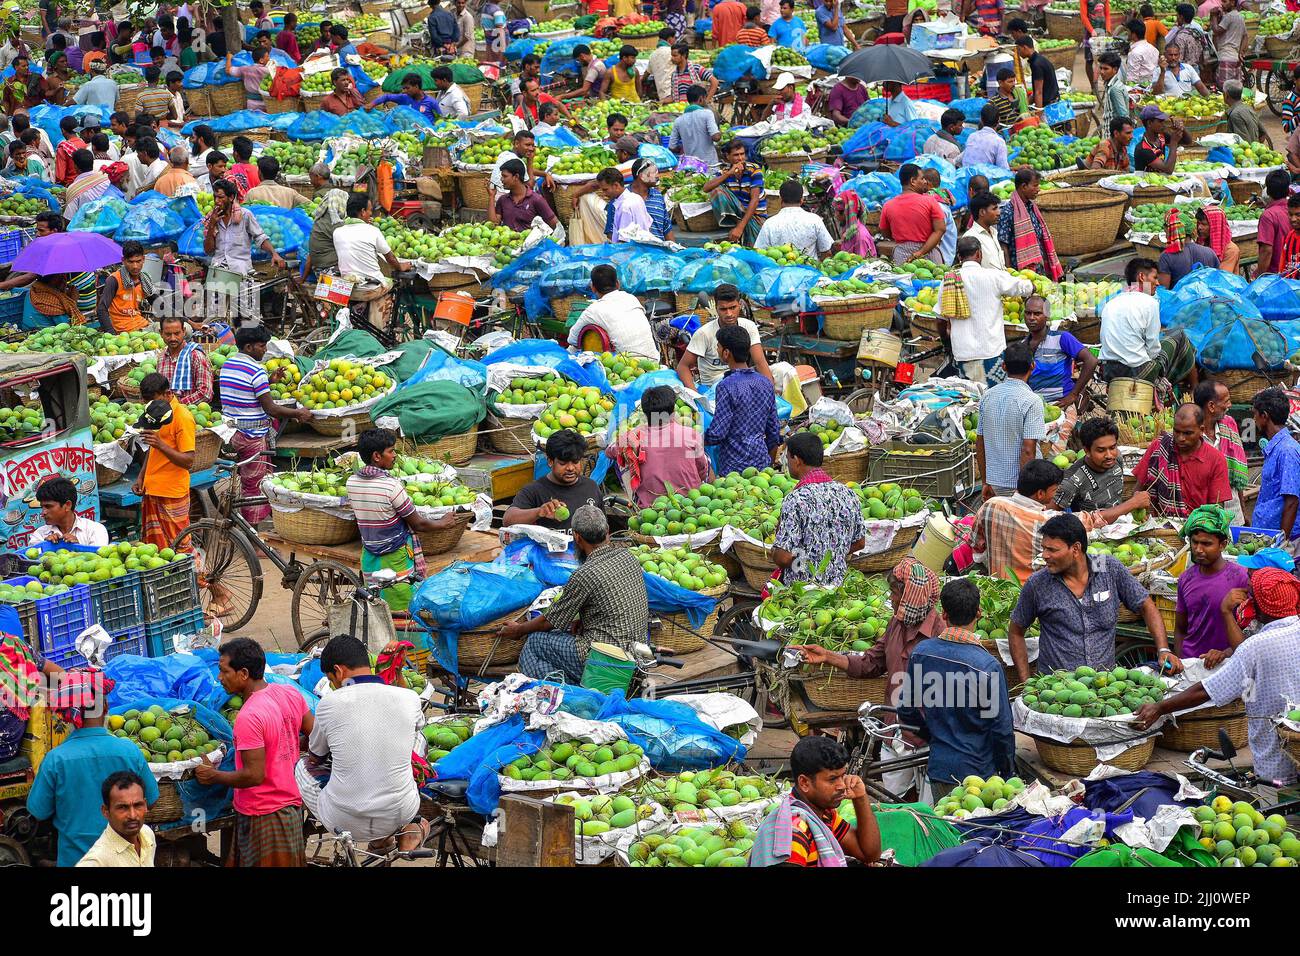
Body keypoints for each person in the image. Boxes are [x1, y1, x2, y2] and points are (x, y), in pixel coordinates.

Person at [1135, 566, 1300, 786]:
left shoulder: (1256, 646)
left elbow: (1207, 690)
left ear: (1264, 604)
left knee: (1280, 811)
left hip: (1277, 760)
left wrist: (1160, 708)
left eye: (1252, 595)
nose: (1247, 599)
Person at [295, 635, 426, 849]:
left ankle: (374, 833)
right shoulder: (409, 697)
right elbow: (416, 727)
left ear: (338, 671)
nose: (333, 684)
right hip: (401, 812)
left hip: (344, 821)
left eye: (331, 679)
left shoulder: (329, 703)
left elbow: (316, 757)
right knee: (417, 739)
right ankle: (400, 830)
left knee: (300, 766)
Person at [1009, 512, 1175, 680]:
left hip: (1104, 685)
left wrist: (1163, 650)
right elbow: (1016, 631)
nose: (1044, 555)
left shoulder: (1107, 567)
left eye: (1052, 550)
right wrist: (1026, 683)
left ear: (1075, 549)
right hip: (1057, 690)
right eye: (1044, 548)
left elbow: (1145, 605)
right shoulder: (1038, 583)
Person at [194, 638, 313, 867]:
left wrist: (213, 776)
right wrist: (288, 744)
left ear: (244, 673)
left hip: (265, 814)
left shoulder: (249, 716)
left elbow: (253, 775)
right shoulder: (288, 694)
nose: (219, 678)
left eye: (224, 671)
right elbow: (315, 735)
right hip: (290, 808)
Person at [897, 578, 1015, 798]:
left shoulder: (923, 653)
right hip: (980, 776)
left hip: (941, 767)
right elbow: (1001, 729)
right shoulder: (987, 667)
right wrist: (1008, 772)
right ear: (979, 613)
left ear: (943, 614)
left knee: (946, 828)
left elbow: (906, 709)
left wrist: (932, 735)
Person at [505, 505, 648, 684]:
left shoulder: (585, 574)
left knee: (535, 642)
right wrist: (585, 619)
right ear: (607, 531)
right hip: (637, 651)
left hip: (605, 656)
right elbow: (615, 602)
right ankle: (578, 688)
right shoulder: (627, 556)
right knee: (560, 635)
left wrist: (518, 630)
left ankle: (571, 693)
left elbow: (547, 622)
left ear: (577, 537)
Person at [27, 672, 158, 866]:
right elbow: (152, 800)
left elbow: (38, 811)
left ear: (69, 716)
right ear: (105, 707)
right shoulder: (129, 750)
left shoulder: (55, 759)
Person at [348, 429, 456, 610]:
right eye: (390, 451)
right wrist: (443, 522)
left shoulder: (352, 482)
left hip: (369, 555)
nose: (394, 456)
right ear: (376, 456)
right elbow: (418, 523)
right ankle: (405, 640)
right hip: (395, 557)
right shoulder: (391, 486)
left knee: (377, 607)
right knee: (404, 610)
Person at [218, 325, 313, 527]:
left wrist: (270, 381)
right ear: (249, 347)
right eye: (262, 346)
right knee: (254, 486)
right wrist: (299, 413)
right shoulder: (256, 370)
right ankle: (253, 537)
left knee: (250, 481)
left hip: (232, 433)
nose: (264, 350)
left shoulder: (228, 365)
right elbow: (272, 409)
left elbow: (244, 392)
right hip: (251, 435)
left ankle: (253, 520)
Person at [749, 736, 879, 866]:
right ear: (804, 783)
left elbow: (868, 853)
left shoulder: (825, 814)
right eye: (832, 779)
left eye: (843, 776)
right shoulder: (795, 830)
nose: (842, 786)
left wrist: (861, 798)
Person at [771, 431, 865, 586]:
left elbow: (784, 557)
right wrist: (830, 555)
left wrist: (776, 553)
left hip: (803, 594)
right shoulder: (849, 494)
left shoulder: (796, 499)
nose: (786, 463)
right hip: (837, 590)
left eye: (787, 458)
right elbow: (860, 542)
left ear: (797, 460)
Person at [604, 385, 710, 506]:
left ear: (644, 413)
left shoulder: (635, 436)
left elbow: (609, 451)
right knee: (704, 458)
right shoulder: (690, 434)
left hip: (652, 507)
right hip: (690, 502)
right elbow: (702, 469)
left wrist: (635, 431)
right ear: (673, 411)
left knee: (625, 451)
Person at [949, 236, 1034, 383]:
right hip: (991, 351)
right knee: (996, 394)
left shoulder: (949, 279)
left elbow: (940, 318)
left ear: (959, 256)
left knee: (969, 398)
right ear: (979, 254)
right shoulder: (993, 276)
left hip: (963, 353)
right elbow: (1023, 287)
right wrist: (1034, 287)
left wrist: (946, 342)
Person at [1173, 505, 1248, 666]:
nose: (1198, 549)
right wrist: (1182, 662)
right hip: (1191, 662)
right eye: (1194, 542)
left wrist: (1226, 653)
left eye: (1206, 544)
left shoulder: (1241, 578)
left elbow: (1251, 632)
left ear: (1223, 545)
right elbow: (1180, 628)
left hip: (1226, 664)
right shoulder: (1186, 578)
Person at [703, 324, 781, 477]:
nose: (717, 350)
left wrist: (694, 440)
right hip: (761, 463)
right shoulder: (765, 383)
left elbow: (718, 433)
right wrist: (769, 464)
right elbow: (773, 431)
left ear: (726, 353)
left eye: (718, 347)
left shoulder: (726, 386)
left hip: (734, 468)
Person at [1134, 404, 1232, 519]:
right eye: (1177, 431)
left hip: (1199, 529)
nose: (1181, 438)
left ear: (1201, 430)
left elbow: (1217, 508)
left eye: (1187, 433)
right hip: (1161, 526)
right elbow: (1139, 488)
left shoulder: (1216, 459)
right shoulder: (1160, 446)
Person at [132, 372, 195, 551]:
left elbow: (188, 460)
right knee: (155, 550)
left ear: (167, 394)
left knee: (181, 547)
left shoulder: (182, 417)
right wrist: (141, 476)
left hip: (171, 492)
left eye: (153, 400)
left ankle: (200, 578)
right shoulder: (156, 412)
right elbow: (153, 449)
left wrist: (160, 445)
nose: (149, 405)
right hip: (152, 489)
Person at [976, 341, 1045, 497]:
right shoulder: (1031, 400)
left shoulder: (987, 396)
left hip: (994, 483)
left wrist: (985, 481)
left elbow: (980, 442)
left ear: (1004, 367)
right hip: (1019, 485)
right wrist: (1024, 490)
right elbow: (1028, 450)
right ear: (1032, 366)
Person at [333, 193, 412, 326]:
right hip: (370, 287)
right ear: (363, 212)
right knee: (392, 284)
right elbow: (390, 258)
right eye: (370, 210)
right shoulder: (372, 231)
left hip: (348, 286)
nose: (371, 213)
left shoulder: (337, 232)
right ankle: (383, 325)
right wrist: (401, 266)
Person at [505, 429, 604, 531]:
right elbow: (508, 520)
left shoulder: (591, 487)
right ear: (550, 461)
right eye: (563, 463)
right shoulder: (534, 490)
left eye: (575, 462)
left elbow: (603, 529)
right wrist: (539, 512)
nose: (570, 468)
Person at [678, 284, 772, 390]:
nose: (729, 314)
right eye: (723, 309)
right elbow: (683, 366)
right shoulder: (704, 333)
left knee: (783, 370)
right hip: (716, 385)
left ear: (740, 305)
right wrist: (697, 398)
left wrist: (771, 394)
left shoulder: (749, 326)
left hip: (744, 377)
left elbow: (760, 362)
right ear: (716, 308)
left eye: (733, 308)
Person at [566, 264, 657, 359]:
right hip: (654, 360)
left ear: (593, 287)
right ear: (618, 283)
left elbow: (572, 339)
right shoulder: (632, 299)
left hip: (628, 367)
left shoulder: (593, 310)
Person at [1024, 295, 1097, 407]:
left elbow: (1091, 361)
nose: (1032, 317)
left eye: (1037, 313)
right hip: (1035, 405)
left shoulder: (1062, 338)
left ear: (1047, 315)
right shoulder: (1022, 345)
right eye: (1028, 313)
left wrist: (1073, 395)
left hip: (1060, 403)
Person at [76, 771, 155, 867]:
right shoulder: (97, 860)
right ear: (105, 811)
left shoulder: (147, 835)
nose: (133, 815)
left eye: (138, 805)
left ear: (145, 805)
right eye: (122, 807)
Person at [997, 167, 1062, 280]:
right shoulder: (1009, 211)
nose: (1038, 189)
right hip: (1020, 270)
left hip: (1038, 266)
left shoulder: (1032, 207)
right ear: (1023, 187)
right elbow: (1004, 244)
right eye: (1035, 185)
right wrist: (1008, 272)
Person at [1252, 387, 1300, 539]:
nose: (1254, 420)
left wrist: (1282, 542)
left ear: (1264, 416)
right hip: (1268, 535)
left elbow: (1292, 500)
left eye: (1255, 415)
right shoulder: (1277, 448)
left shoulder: (1287, 451)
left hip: (1284, 540)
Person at [879, 163, 945, 266]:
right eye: (922, 179)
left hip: (902, 256)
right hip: (929, 255)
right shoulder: (930, 201)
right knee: (934, 280)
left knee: (904, 281)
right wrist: (920, 252)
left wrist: (902, 238)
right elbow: (940, 229)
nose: (925, 182)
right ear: (913, 181)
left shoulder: (888, 205)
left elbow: (885, 233)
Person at [704, 141, 766, 245]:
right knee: (717, 190)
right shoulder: (725, 171)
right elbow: (706, 188)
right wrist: (728, 173)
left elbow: (755, 200)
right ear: (727, 156)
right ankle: (738, 223)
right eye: (736, 155)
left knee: (753, 248)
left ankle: (741, 226)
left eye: (742, 154)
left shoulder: (754, 169)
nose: (740, 158)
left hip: (755, 216)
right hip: (738, 215)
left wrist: (740, 227)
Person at [754, 180, 834, 259]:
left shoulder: (769, 224)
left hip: (778, 271)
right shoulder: (815, 220)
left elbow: (759, 253)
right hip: (809, 270)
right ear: (802, 199)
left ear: (780, 199)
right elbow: (827, 251)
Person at [29, 476, 109, 546]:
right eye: (42, 507)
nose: (43, 513)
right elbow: (33, 559)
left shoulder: (95, 530)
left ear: (67, 505)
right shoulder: (39, 535)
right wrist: (46, 546)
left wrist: (79, 548)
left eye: (48, 506)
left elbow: (99, 559)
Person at [154, 314, 213, 406]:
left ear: (184, 331)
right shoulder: (162, 357)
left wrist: (177, 405)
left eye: (177, 333)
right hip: (166, 414)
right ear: (161, 333)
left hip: (189, 414)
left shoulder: (196, 356)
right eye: (168, 334)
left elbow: (205, 393)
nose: (173, 338)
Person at [488, 158, 557, 232]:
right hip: (508, 242)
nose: (501, 179)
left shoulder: (536, 200)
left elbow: (555, 225)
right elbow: (494, 224)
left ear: (516, 177)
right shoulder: (503, 200)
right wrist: (491, 196)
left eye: (505, 176)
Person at [1157, 207, 1219, 287]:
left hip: (1178, 299)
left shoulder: (1166, 257)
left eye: (1166, 232)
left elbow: (1163, 290)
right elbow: (1217, 280)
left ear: (1172, 232)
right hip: (1207, 298)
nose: (1166, 236)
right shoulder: (1210, 252)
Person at [303, 168, 347, 277]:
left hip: (319, 268)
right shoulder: (336, 224)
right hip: (329, 270)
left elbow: (311, 254)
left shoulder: (320, 219)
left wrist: (303, 277)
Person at [669, 84, 720, 166]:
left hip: (690, 165)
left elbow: (672, 147)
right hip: (709, 164)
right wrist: (719, 133)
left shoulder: (679, 120)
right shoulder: (707, 113)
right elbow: (716, 137)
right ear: (701, 99)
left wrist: (684, 147)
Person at [62, 149, 118, 222]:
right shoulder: (106, 179)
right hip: (110, 222)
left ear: (75, 166)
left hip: (86, 228)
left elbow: (68, 218)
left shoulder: (73, 189)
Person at [1134, 105, 1189, 174]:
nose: (1164, 124)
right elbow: (1168, 170)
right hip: (1145, 182)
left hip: (1159, 180)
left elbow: (1187, 141)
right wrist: (1174, 143)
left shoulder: (1161, 136)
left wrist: (1181, 128)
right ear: (1149, 123)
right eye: (1160, 121)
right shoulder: (1143, 148)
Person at [1260, 172, 1298, 275]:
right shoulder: (1292, 207)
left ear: (1268, 191)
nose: (1293, 219)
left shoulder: (1268, 215)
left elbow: (1266, 250)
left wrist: (1258, 276)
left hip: (1275, 275)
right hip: (1289, 273)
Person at [370, 72, 440, 122]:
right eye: (403, 88)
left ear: (416, 86)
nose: (404, 91)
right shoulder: (404, 98)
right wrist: (370, 105)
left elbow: (439, 119)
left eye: (407, 88)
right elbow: (386, 97)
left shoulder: (431, 102)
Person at [243, 156, 308, 210]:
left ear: (259, 172)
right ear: (276, 173)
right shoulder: (290, 193)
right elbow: (309, 204)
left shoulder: (252, 193)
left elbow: (243, 213)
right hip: (285, 225)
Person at [963, 192, 1005, 270]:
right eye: (994, 209)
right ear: (982, 212)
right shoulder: (970, 238)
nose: (999, 212)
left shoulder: (994, 232)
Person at [1016, 36, 1058, 108]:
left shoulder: (1036, 65)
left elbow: (1039, 92)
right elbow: (1036, 92)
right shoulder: (1040, 59)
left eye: (1019, 50)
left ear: (1025, 47)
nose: (1018, 53)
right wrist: (1025, 105)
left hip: (1049, 105)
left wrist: (1038, 112)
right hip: (1054, 100)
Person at [1224, 80, 1269, 146]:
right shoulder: (1249, 108)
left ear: (1226, 95)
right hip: (1254, 149)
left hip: (1247, 153)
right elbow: (1263, 134)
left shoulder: (1235, 115)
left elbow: (1243, 144)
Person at [961, 105, 1007, 169]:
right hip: (983, 178)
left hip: (966, 175)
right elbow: (1003, 170)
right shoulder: (999, 142)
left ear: (981, 120)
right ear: (998, 121)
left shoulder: (972, 136)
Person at [1124, 18, 1159, 87]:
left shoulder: (1135, 53)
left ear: (1133, 34)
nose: (1126, 33)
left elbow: (1132, 79)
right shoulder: (1154, 49)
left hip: (1140, 88)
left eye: (1128, 31)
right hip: (1152, 85)